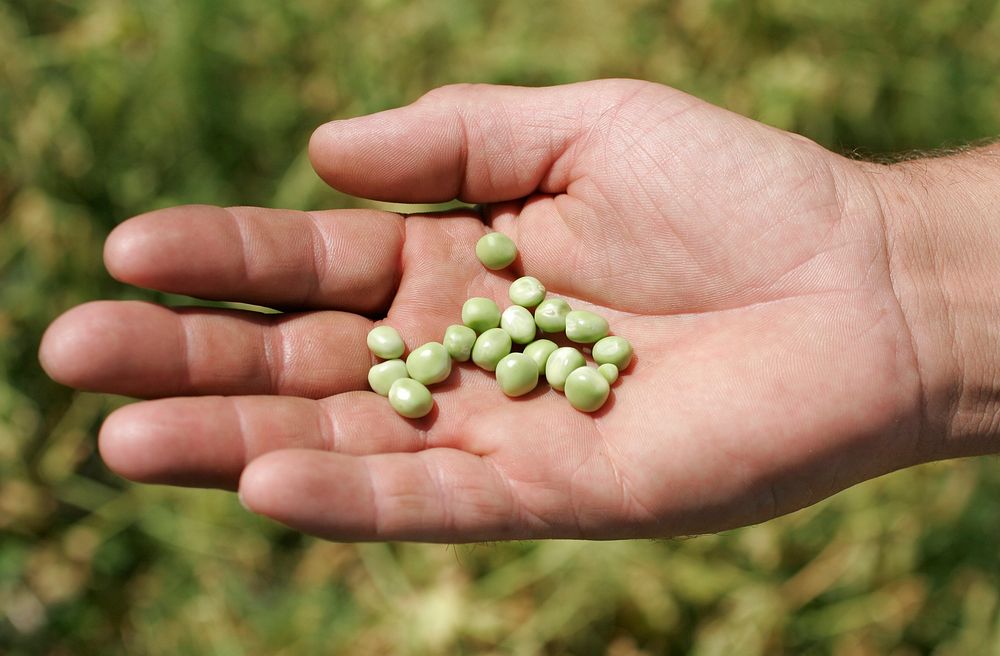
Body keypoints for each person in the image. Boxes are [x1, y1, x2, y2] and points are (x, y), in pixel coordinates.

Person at [38, 79, 1000, 542]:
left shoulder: (540, 325)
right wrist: (908, 273)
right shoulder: (506, 326)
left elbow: (517, 328)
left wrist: (904, 271)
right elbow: (496, 333)